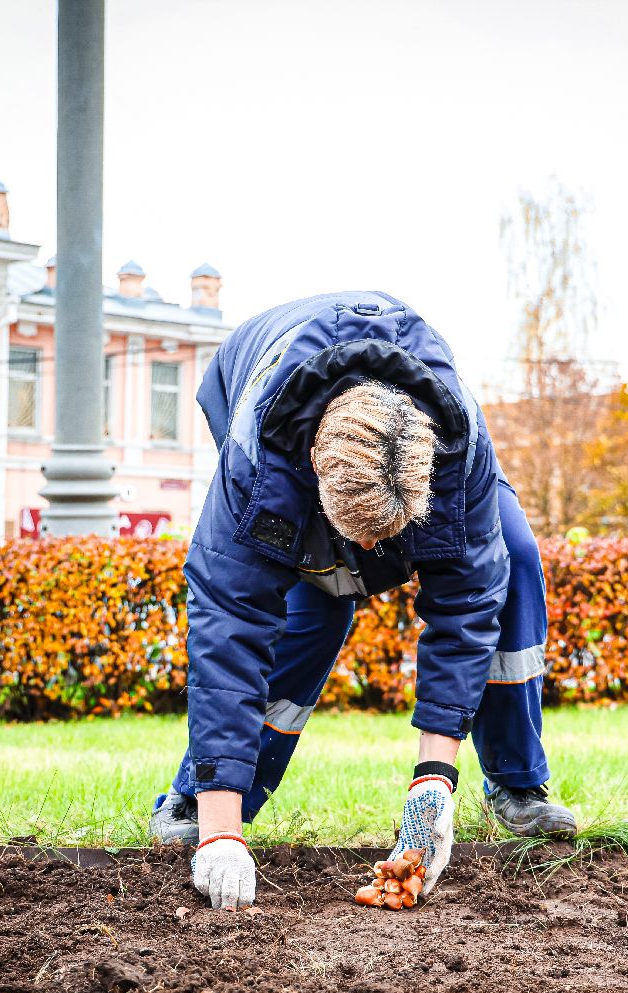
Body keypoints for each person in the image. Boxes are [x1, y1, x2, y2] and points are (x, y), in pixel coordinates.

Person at [150, 291, 575, 910]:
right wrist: (220, 832)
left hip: (408, 443)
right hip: (261, 394)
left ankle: (517, 782)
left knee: (515, 553)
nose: (374, 554)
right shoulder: (258, 464)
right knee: (314, 610)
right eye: (361, 538)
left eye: (388, 538)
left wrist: (434, 783)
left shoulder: (458, 445)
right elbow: (229, 628)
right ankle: (201, 799)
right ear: (318, 476)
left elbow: (466, 605)